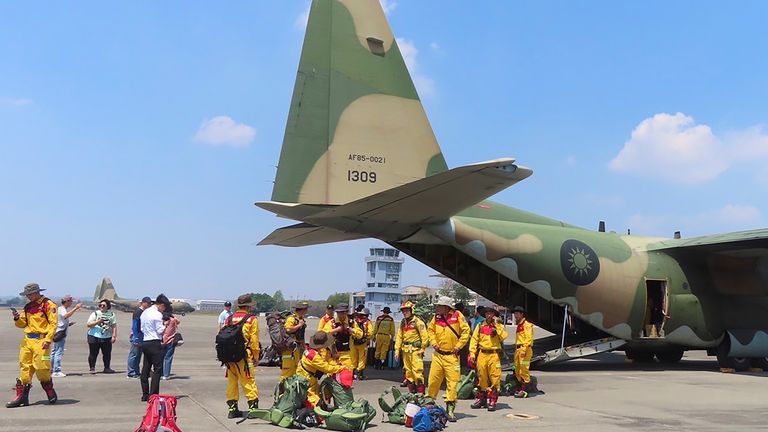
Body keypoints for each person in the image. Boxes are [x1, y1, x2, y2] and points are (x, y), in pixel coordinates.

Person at [7, 283, 58, 408]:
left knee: (42, 368)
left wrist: (48, 339)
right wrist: (17, 318)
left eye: (30, 294)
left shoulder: (48, 304)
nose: (28, 297)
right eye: (27, 295)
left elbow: (53, 324)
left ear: (36, 292)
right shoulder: (28, 306)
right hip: (27, 341)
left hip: (42, 341)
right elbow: (22, 324)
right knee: (25, 368)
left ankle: (49, 388)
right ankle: (22, 397)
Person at [427, 296, 470, 422]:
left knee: (452, 384)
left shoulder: (457, 315)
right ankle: (429, 405)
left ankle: (450, 410)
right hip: (438, 355)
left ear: (446, 307)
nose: (438, 307)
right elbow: (431, 330)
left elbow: (466, 331)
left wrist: (458, 346)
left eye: (440, 306)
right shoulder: (436, 317)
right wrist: (433, 342)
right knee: (433, 381)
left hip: (452, 356)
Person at [223, 293, 260, 419]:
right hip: (244, 356)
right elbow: (254, 341)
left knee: (232, 382)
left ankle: (232, 409)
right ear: (248, 306)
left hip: (229, 356)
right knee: (248, 381)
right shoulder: (251, 319)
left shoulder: (229, 318)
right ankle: (253, 409)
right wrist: (256, 357)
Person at [468, 306, 508, 411]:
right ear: (485, 315)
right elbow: (474, 340)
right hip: (482, 353)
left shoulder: (498, 325)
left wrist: (497, 327)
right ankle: (481, 399)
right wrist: (472, 354)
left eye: (491, 313)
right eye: (487, 313)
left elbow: (504, 336)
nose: (489, 315)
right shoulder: (480, 325)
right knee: (481, 377)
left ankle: (492, 400)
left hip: (494, 354)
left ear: (494, 315)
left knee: (495, 377)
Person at [297, 331, 347, 408]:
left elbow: (326, 361)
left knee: (316, 393)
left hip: (306, 375)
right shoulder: (314, 357)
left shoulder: (311, 350)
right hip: (307, 379)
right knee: (312, 398)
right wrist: (341, 368)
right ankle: (315, 413)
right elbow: (327, 368)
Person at [393, 301, 428, 394]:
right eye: (403, 311)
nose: (405, 312)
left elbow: (425, 337)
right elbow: (399, 337)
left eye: (407, 310)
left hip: (416, 351)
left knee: (417, 372)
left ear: (412, 310)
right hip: (406, 351)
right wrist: (397, 350)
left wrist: (423, 349)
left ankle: (420, 394)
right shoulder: (403, 323)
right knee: (408, 373)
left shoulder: (418, 322)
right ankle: (412, 393)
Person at [140, 294, 169, 402]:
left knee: (146, 368)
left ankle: (145, 394)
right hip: (155, 342)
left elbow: (142, 328)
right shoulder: (157, 314)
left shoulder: (145, 312)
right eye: (164, 307)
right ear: (161, 305)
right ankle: (154, 395)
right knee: (157, 370)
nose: (164, 309)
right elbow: (160, 330)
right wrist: (165, 325)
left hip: (146, 341)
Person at [51, 295, 81, 378]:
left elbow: (61, 320)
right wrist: (76, 308)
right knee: (58, 352)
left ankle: (51, 369)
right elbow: (65, 316)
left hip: (58, 332)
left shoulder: (60, 309)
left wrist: (69, 324)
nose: (71, 303)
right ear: (67, 301)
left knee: (54, 352)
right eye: (71, 301)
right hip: (60, 333)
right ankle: (56, 371)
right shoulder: (62, 309)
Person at [86, 299, 118, 374]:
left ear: (108, 306)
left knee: (107, 354)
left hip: (107, 337)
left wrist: (114, 336)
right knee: (93, 353)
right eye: (100, 305)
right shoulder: (95, 314)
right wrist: (98, 321)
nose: (101, 307)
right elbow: (88, 325)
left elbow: (114, 325)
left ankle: (107, 368)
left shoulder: (112, 314)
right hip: (94, 336)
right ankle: (92, 368)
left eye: (104, 305)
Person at [282, 301, 309, 380]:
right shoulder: (291, 318)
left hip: (297, 348)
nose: (307, 311)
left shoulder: (300, 319)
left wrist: (304, 347)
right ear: (302, 309)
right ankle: (281, 390)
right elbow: (288, 329)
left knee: (295, 370)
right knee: (287, 372)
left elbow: (301, 335)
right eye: (306, 309)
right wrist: (299, 325)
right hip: (289, 349)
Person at [512, 305, 534, 398]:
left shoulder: (527, 325)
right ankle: (521, 388)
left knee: (524, 369)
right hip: (518, 350)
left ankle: (525, 390)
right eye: (515, 313)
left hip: (525, 350)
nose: (515, 315)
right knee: (517, 369)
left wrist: (524, 350)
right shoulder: (519, 325)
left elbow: (528, 338)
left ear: (522, 314)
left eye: (517, 313)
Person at [128, 296, 152, 378]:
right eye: (148, 303)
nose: (149, 304)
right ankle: (131, 372)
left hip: (142, 335)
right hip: (137, 335)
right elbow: (135, 325)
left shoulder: (145, 312)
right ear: (143, 303)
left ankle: (136, 371)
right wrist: (135, 336)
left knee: (138, 355)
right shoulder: (138, 312)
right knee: (134, 354)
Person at [350, 308, 373, 380]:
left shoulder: (355, 321)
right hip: (363, 343)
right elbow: (371, 332)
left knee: (353, 358)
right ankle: (360, 375)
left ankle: (352, 374)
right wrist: (367, 338)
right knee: (362, 359)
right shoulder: (368, 322)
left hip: (354, 342)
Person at [161, 311, 180, 380]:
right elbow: (178, 321)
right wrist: (172, 316)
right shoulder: (173, 320)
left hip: (162, 341)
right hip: (170, 341)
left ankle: (160, 373)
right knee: (168, 358)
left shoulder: (162, 321)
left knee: (161, 358)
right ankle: (166, 375)